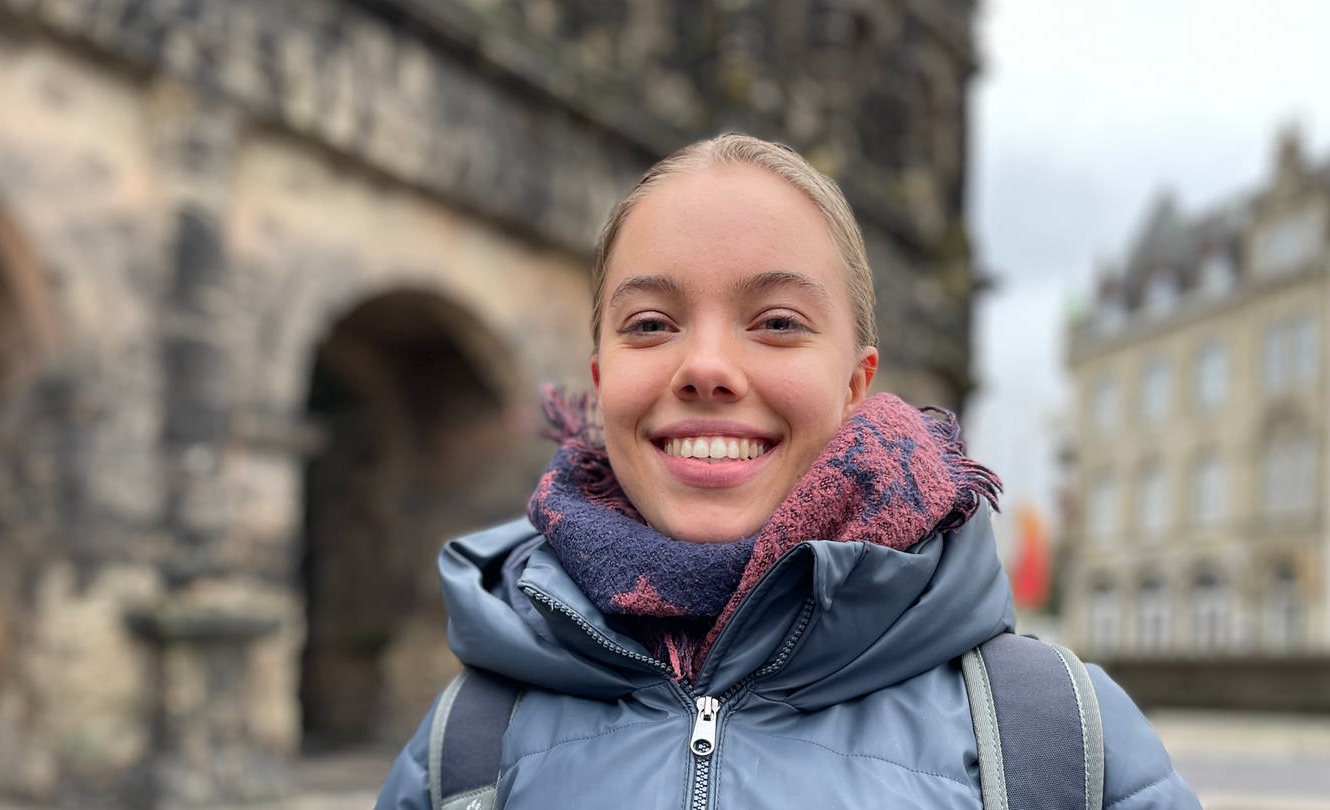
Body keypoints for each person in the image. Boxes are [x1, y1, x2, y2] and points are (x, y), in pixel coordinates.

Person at [375, 134, 1199, 809]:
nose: (705, 367)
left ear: (855, 385)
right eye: (652, 322)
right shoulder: (466, 743)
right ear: (601, 381)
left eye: (775, 322)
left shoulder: (1054, 738)